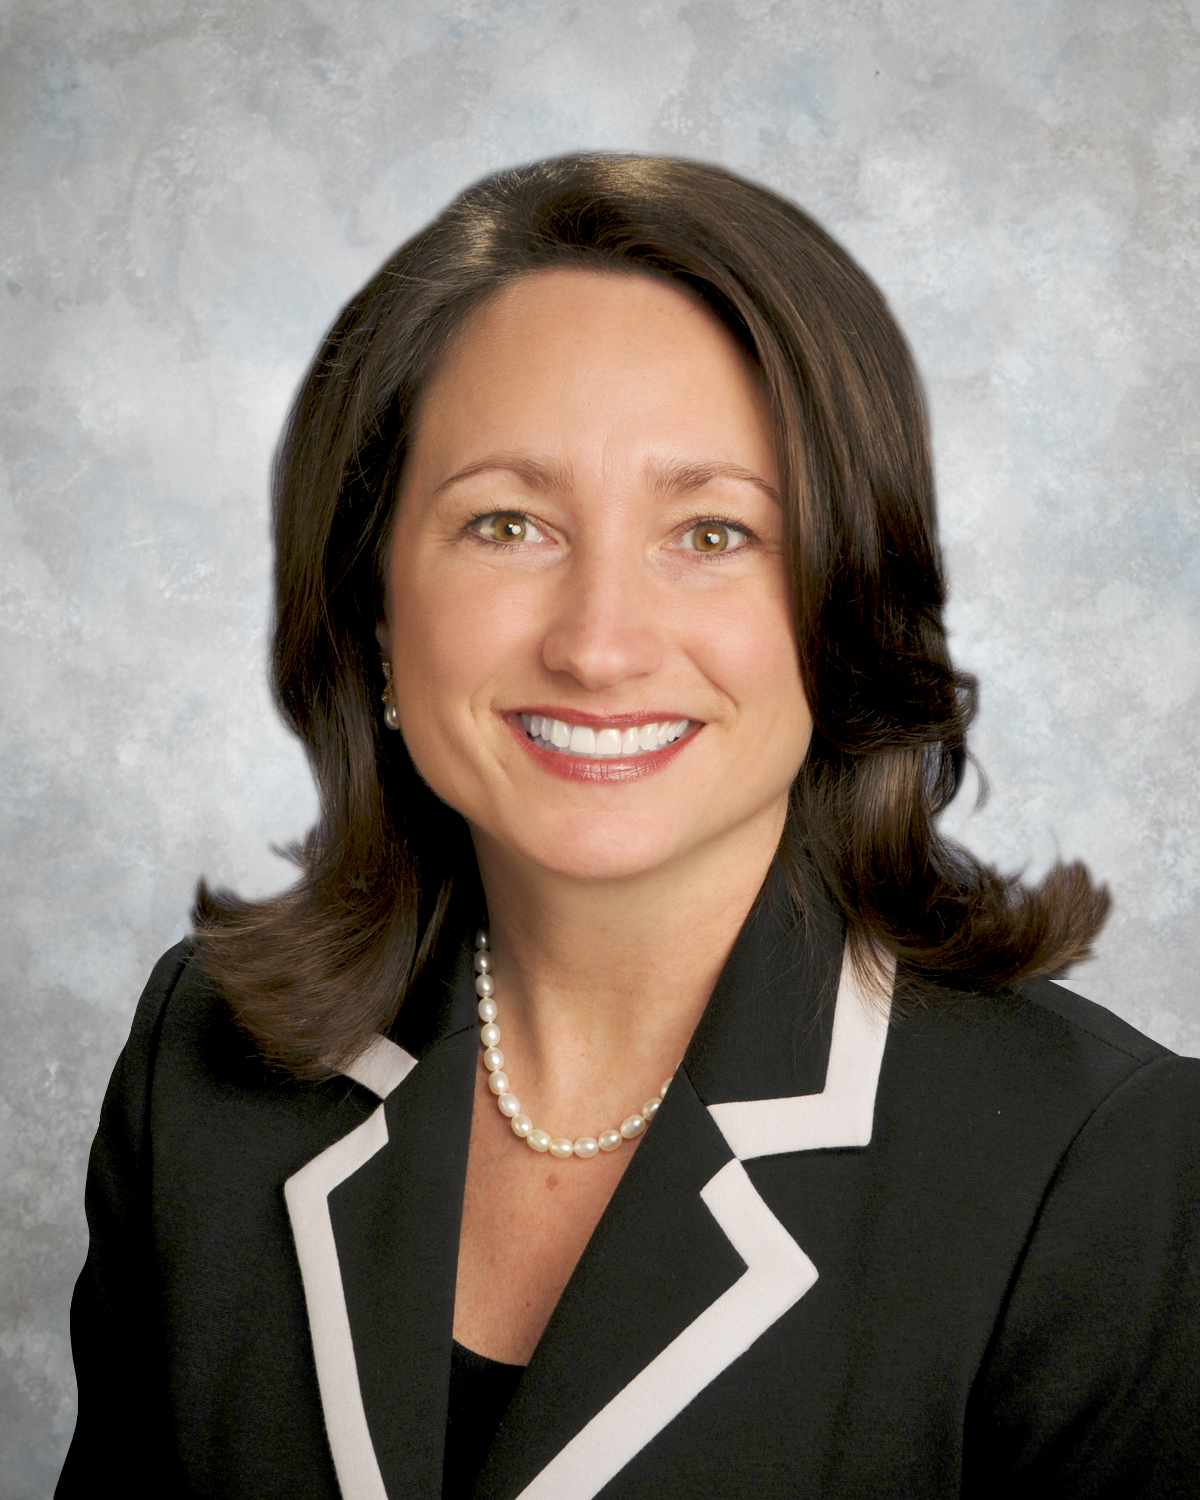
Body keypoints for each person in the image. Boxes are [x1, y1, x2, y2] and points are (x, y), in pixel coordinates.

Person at [58, 154, 1200, 1499]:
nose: (599, 646)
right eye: (507, 524)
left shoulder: (1100, 1168)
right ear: (373, 605)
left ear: (843, 605)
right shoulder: (205, 1069)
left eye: (712, 533)